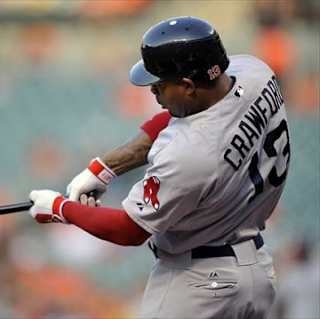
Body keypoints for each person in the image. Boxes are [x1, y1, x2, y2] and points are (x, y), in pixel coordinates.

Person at [29, 16, 290, 319]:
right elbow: (181, 118)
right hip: (256, 270)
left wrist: (61, 208)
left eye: (160, 85)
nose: (153, 93)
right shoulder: (255, 72)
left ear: (188, 86)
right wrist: (104, 169)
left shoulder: (190, 154)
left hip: (200, 284)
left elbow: (130, 230)